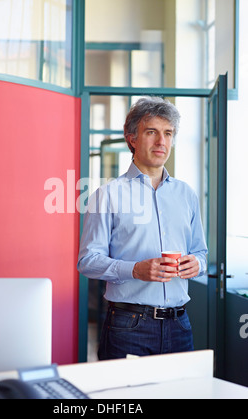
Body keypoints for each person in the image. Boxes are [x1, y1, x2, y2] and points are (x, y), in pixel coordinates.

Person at [77, 97, 208, 360]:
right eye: (152, 132)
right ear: (132, 139)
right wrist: (134, 269)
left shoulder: (187, 194)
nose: (162, 141)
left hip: (180, 324)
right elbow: (87, 261)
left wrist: (198, 264)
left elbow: (201, 252)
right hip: (128, 326)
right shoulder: (108, 194)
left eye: (168, 133)